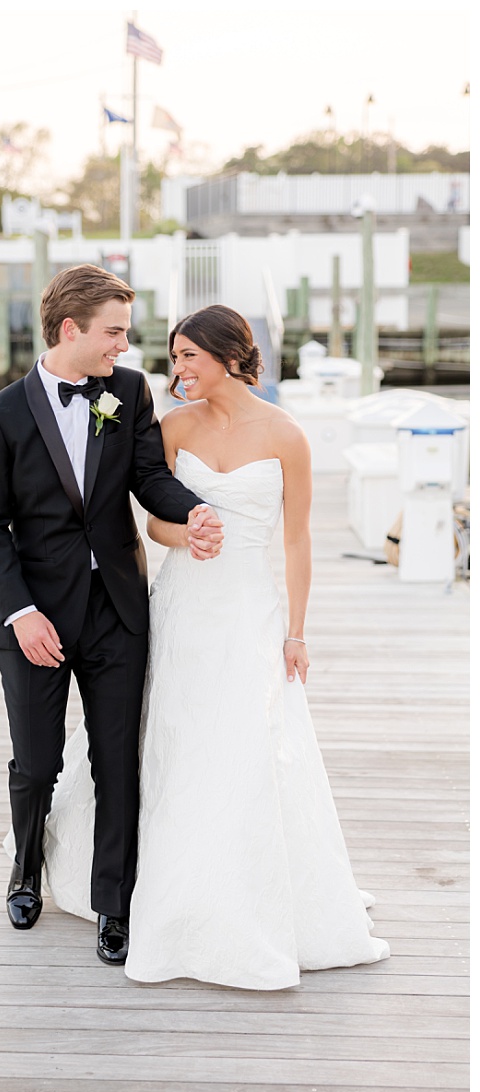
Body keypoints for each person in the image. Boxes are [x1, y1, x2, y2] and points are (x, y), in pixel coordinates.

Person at [36, 304, 390, 989]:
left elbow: (297, 539)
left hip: (252, 611)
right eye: (173, 359)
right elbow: (156, 522)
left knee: (245, 742)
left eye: (188, 357)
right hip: (183, 605)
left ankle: (244, 890)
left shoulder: (287, 434)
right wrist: (186, 533)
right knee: (176, 737)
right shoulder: (172, 428)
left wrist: (297, 630)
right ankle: (158, 879)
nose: (178, 371)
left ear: (228, 355)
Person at [0, 264, 223, 966]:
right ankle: (25, 870)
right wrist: (19, 611)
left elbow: (149, 478)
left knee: (117, 761)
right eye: (114, 331)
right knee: (38, 761)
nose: (124, 344)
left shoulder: (130, 392)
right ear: (71, 329)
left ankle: (116, 901)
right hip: (36, 619)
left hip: (116, 608)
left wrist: (194, 507)